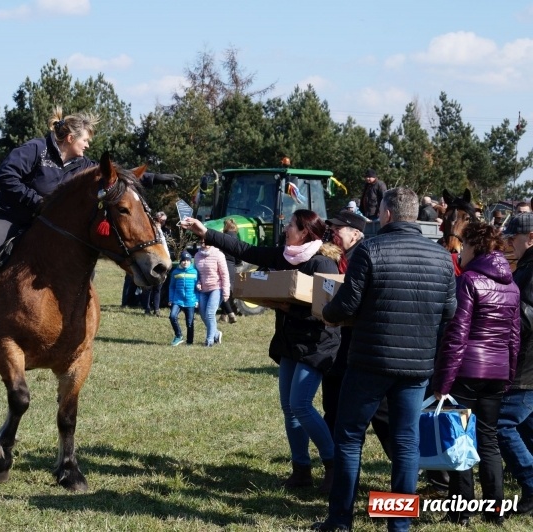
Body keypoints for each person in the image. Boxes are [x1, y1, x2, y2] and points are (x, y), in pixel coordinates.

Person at [0, 107, 179, 343]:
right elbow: (5, 175)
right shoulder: (35, 149)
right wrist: (35, 201)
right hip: (10, 216)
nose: (87, 145)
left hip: (45, 227)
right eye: (85, 140)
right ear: (71, 138)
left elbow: (113, 176)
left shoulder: (82, 166)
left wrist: (153, 178)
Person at [313, 187, 456, 532]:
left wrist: (325, 312)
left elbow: (346, 305)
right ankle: (399, 526)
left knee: (349, 438)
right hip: (416, 366)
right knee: (406, 443)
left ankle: (340, 521)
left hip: (369, 362)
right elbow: (449, 311)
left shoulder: (371, 249)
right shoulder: (440, 257)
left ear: (388, 214)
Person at [181, 209, 342, 492]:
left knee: (301, 406)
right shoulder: (285, 255)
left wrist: (286, 306)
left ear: (304, 231)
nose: (286, 228)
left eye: (291, 225)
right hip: (290, 341)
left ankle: (333, 465)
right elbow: (246, 249)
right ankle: (301, 470)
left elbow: (328, 313)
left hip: (317, 343)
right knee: (289, 409)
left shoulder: (323, 264)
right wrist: (205, 232)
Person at [431, 222, 520, 527]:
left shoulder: (468, 280)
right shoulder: (512, 285)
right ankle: (495, 511)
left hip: (467, 371)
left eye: (464, 246)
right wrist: (507, 374)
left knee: (460, 442)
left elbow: (457, 336)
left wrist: (442, 383)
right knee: (489, 440)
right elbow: (514, 338)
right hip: (496, 372)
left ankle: (460, 512)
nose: (460, 252)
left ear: (474, 247)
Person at [320, 211, 392, 461]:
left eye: (338, 229)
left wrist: (330, 311)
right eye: (331, 229)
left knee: (380, 413)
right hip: (335, 345)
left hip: (360, 345)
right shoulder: (331, 255)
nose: (333, 234)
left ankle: (408, 463)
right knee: (332, 406)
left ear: (356, 233)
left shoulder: (365, 256)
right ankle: (333, 464)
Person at [498, 213, 533, 516]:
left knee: (503, 425)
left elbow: (526, 319)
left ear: (531, 238)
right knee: (527, 427)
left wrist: (502, 303)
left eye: (514, 238)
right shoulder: (525, 267)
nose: (509, 243)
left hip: (525, 366)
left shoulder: (531, 269)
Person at [193, 241, 229, 347]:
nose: (204, 243)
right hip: (204, 289)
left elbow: (225, 274)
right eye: (202, 242)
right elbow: (198, 273)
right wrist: (199, 282)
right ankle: (216, 333)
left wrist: (226, 292)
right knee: (203, 315)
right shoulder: (197, 255)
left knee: (210, 313)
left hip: (217, 288)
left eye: (207, 241)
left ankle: (209, 341)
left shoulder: (218, 254)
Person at [141, 211, 170, 315]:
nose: (160, 223)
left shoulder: (165, 232)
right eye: (158, 221)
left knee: (158, 287)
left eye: (162, 221)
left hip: (162, 261)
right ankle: (147, 308)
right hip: (152, 261)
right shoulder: (149, 232)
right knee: (148, 287)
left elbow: (165, 247)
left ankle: (156, 309)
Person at [167, 250, 199, 346]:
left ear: (191, 261)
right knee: (172, 316)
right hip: (178, 300)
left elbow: (197, 288)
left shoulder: (195, 272)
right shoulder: (175, 272)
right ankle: (178, 335)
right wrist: (171, 299)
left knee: (189, 322)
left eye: (188, 260)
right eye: (183, 260)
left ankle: (189, 342)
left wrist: (197, 300)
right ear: (180, 261)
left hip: (190, 301)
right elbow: (171, 287)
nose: (185, 262)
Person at [218, 218, 241, 323]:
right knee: (229, 290)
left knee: (221, 289)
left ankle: (227, 313)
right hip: (231, 266)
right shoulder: (236, 238)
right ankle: (226, 313)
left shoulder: (223, 237)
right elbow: (239, 253)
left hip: (222, 264)